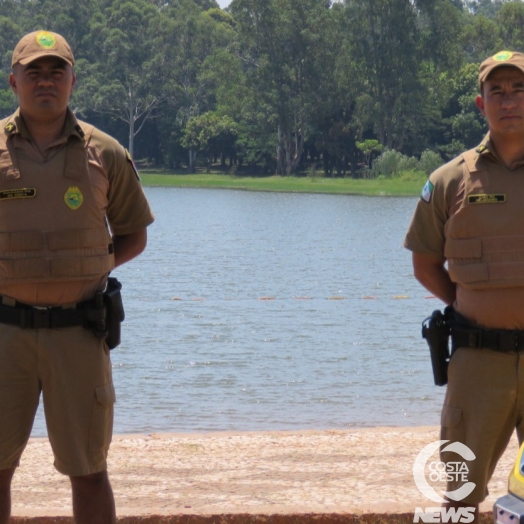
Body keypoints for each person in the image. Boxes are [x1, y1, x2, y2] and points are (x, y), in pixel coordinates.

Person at [0, 30, 154, 523]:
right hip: (4, 334)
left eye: (56, 71)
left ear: (72, 81)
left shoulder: (104, 152)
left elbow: (132, 235)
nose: (45, 82)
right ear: (14, 81)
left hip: (78, 334)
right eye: (34, 72)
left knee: (89, 470)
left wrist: (89, 268)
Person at [404, 50, 524, 523]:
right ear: (481, 104)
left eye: (519, 89)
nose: (509, 100)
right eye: (497, 91)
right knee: (460, 497)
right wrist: (472, 306)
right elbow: (426, 263)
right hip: (479, 365)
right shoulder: (450, 180)